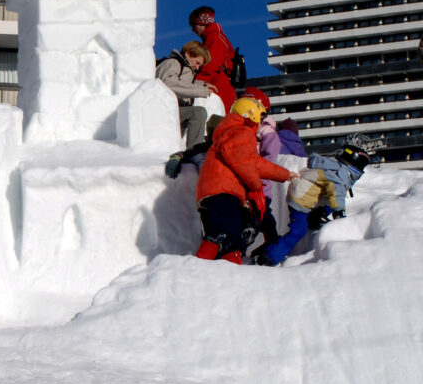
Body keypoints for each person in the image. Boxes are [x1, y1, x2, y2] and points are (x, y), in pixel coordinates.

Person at [193, 96, 298, 264]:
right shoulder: (240, 132)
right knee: (222, 233)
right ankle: (196, 265)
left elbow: (257, 163)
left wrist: (284, 174)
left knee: (233, 237)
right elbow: (243, 162)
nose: (261, 122)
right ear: (251, 114)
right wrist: (255, 185)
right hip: (222, 192)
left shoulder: (235, 132)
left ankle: (232, 269)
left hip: (219, 192)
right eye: (260, 116)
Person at [254, 142, 370, 266]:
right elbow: (336, 193)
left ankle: (314, 218)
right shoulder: (341, 174)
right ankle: (268, 258)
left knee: (326, 203)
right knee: (298, 231)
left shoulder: (333, 166)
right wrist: (339, 211)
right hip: (303, 199)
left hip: (300, 193)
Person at [157, 41, 216, 148]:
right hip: (162, 111)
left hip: (174, 112)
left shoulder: (185, 69)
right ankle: (195, 152)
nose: (197, 68)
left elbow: (183, 83)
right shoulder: (173, 63)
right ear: (188, 54)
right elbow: (168, 83)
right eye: (197, 63)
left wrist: (201, 85)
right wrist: (201, 91)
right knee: (198, 113)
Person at [188, 6, 237, 108]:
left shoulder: (215, 38)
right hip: (220, 88)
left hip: (219, 89)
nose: (192, 29)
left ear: (202, 22)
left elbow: (210, 66)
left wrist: (193, 83)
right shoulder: (214, 37)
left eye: (193, 25)